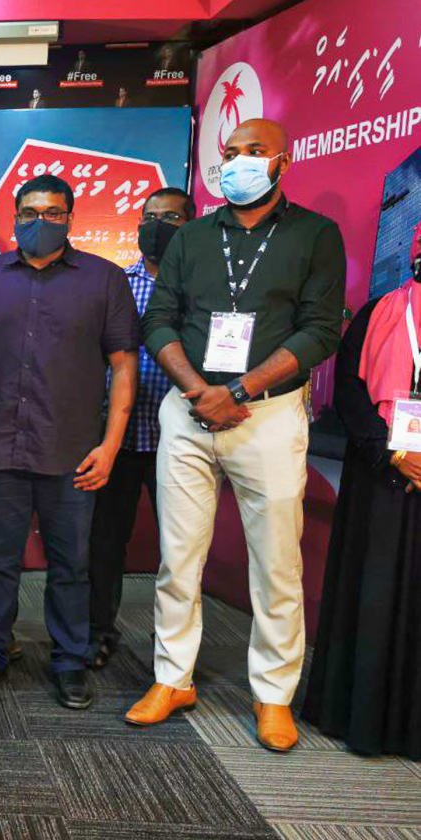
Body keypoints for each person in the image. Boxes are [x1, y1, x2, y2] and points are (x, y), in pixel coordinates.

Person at [129, 119, 345, 753]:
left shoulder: (315, 235)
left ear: (283, 162)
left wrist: (240, 391)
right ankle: (173, 678)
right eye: (230, 153)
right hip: (188, 410)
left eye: (255, 152)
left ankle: (272, 694)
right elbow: (159, 318)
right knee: (178, 557)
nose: (239, 162)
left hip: (268, 417)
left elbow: (320, 330)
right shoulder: (192, 236)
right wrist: (199, 390)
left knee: (276, 562)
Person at [0, 174, 139, 710]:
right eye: (29, 213)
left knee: (71, 566)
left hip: (73, 451)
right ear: (15, 217)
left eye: (52, 213)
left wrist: (111, 446)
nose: (40, 222)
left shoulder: (104, 280)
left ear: (70, 218)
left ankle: (70, 661)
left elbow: (124, 365)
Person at [301, 239, 421, 760]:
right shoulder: (378, 313)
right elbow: (349, 392)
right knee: (372, 592)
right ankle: (361, 718)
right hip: (381, 477)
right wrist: (393, 454)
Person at [87, 187, 191, 670]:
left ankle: (174, 645)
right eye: (149, 217)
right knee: (105, 543)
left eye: (170, 218)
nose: (156, 227)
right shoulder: (115, 283)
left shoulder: (199, 285)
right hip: (119, 438)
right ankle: (97, 633)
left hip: (183, 437)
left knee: (182, 548)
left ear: (191, 225)